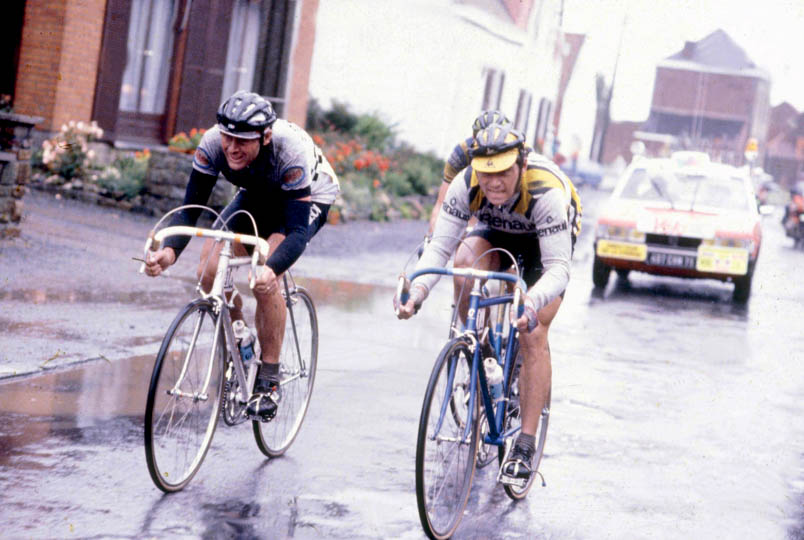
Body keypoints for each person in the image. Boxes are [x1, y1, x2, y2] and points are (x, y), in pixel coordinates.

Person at [396, 123, 582, 484]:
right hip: (497, 228)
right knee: (465, 264)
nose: (494, 183)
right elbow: (439, 248)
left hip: (542, 241)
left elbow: (559, 269)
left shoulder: (546, 192)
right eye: (486, 173)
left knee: (533, 330)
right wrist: (415, 292)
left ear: (522, 165)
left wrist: (532, 301)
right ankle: (478, 344)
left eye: (504, 173)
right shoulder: (467, 183)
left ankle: (525, 445)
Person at [144, 90, 339, 422]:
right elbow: (190, 212)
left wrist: (271, 269)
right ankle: (240, 332)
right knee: (208, 272)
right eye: (227, 137)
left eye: (242, 141)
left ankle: (269, 380)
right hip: (257, 192)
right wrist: (168, 253)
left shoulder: (288, 152)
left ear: (264, 137)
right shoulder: (211, 145)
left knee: (264, 278)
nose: (232, 147)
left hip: (306, 199)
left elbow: (296, 232)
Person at [426, 110, 511, 236]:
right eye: (482, 146)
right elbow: (441, 203)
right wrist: (431, 237)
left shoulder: (519, 156)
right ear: (473, 139)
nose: (489, 154)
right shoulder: (461, 154)